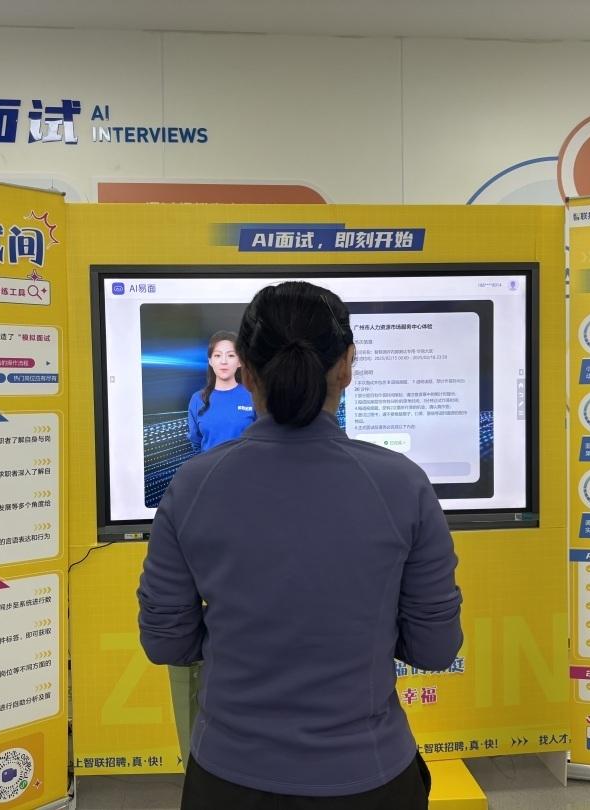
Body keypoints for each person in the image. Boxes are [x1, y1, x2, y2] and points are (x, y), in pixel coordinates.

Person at [138, 281, 462, 809]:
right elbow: (435, 648)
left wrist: (238, 641)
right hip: (369, 778)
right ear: (347, 366)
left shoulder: (194, 485)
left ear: (246, 370)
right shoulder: (402, 484)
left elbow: (165, 643)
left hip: (228, 779)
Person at [186, 330, 256, 453]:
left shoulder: (252, 396)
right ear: (210, 361)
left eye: (231, 355)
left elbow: (262, 440)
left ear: (239, 361)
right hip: (208, 465)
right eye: (217, 355)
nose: (224, 361)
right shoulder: (197, 399)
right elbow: (196, 443)